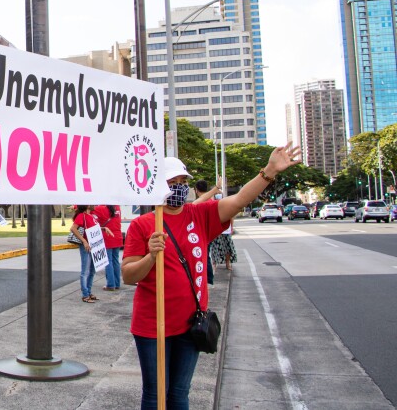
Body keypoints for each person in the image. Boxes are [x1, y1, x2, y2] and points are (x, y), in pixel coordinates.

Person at [122, 146, 300, 410]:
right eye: (173, 183)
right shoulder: (143, 225)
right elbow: (128, 274)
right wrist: (150, 256)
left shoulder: (200, 215)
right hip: (152, 326)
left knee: (180, 394)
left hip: (190, 324)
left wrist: (269, 171)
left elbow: (239, 200)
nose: (180, 187)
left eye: (184, 182)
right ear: (159, 186)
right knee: (155, 395)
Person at [70, 205, 102, 303]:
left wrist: (104, 229)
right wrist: (84, 241)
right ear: (87, 205)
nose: (95, 205)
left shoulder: (91, 216)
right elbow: (73, 228)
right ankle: (85, 294)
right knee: (85, 271)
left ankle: (88, 292)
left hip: (94, 246)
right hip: (87, 246)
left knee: (92, 271)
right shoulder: (82, 216)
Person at [94, 204, 122, 291]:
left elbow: (88, 209)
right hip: (117, 236)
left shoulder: (100, 208)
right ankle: (117, 283)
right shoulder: (117, 207)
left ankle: (110, 284)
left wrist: (75, 206)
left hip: (107, 236)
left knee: (108, 261)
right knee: (115, 261)